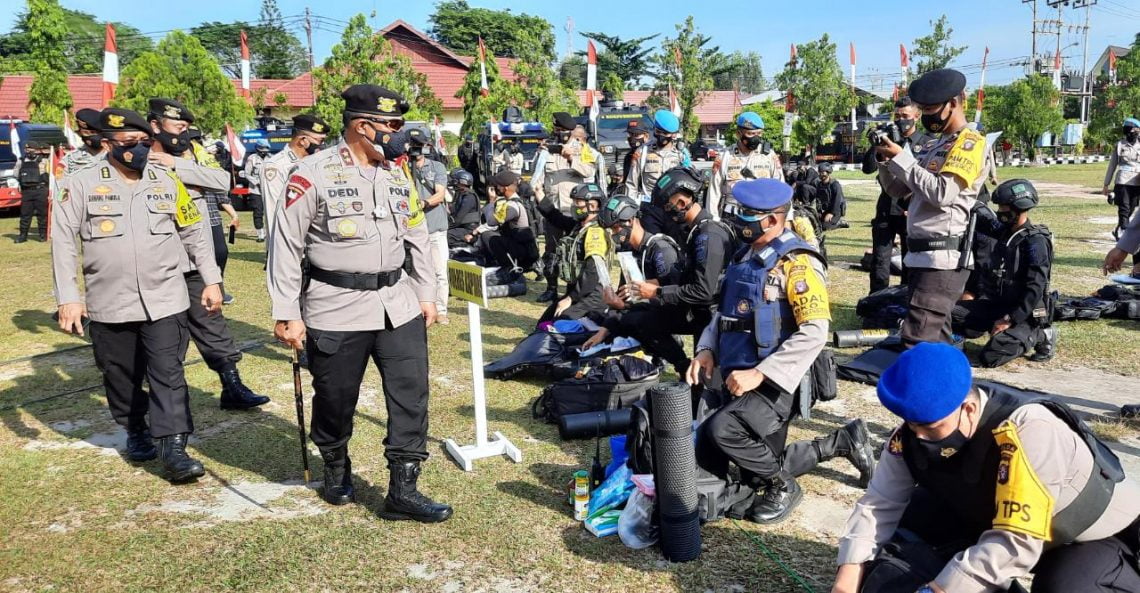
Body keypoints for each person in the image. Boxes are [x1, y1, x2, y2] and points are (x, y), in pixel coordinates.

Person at [268, 84, 451, 523]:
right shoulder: (311, 174)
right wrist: (286, 312)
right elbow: (286, 247)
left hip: (397, 303)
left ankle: (403, 490)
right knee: (334, 396)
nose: (399, 133)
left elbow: (418, 239)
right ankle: (335, 464)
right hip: (336, 305)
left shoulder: (395, 174)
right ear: (362, 126)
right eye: (392, 125)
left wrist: (426, 294)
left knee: (411, 395)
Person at [832, 342, 1140, 593]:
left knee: (1065, 587)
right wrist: (846, 580)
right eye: (911, 424)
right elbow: (879, 504)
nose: (918, 436)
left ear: (967, 408)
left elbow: (1016, 540)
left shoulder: (1028, 429)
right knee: (909, 527)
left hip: (1084, 536)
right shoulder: (915, 430)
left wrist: (937, 589)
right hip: (993, 518)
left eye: (929, 426)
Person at [52, 107, 223, 482]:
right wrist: (69, 297)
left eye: (143, 142)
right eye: (128, 144)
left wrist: (211, 280)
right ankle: (136, 429)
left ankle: (174, 447)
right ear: (108, 143)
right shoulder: (79, 183)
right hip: (110, 301)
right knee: (120, 374)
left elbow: (193, 231)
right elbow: (63, 242)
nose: (138, 150)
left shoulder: (166, 179)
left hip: (166, 295)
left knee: (168, 372)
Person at [687, 178, 873, 525]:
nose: (738, 219)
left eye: (747, 214)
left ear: (773, 219)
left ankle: (782, 484)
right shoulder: (745, 255)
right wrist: (706, 349)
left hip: (776, 382)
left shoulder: (798, 263)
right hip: (735, 373)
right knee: (743, 464)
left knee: (723, 432)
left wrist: (762, 373)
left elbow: (815, 331)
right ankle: (840, 442)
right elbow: (723, 313)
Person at [147, 98, 269, 410]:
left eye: (186, 127)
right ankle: (160, 404)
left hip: (195, 260)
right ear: (155, 125)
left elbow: (221, 181)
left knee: (212, 324)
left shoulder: (191, 155)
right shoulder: (138, 159)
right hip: (156, 265)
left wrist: (180, 165)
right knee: (164, 336)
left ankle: (232, 385)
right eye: (177, 127)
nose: (182, 134)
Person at [872, 68, 993, 348]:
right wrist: (885, 160)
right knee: (936, 341)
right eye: (922, 110)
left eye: (930, 109)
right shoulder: (934, 144)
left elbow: (943, 193)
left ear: (954, 102)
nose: (927, 116)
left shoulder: (969, 143)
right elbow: (898, 190)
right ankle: (953, 391)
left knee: (918, 341)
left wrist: (903, 159)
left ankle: (930, 392)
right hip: (919, 255)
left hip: (942, 259)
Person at [612, 167, 733, 375]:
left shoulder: (708, 235)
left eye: (668, 207)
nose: (666, 213)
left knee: (705, 390)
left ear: (682, 202)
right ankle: (682, 366)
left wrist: (657, 292)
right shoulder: (694, 231)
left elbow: (704, 292)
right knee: (640, 319)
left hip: (712, 318)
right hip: (697, 312)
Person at [953, 179, 1057, 368]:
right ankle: (963, 338)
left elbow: (1035, 287)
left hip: (1023, 314)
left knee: (991, 356)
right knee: (950, 313)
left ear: (1019, 208)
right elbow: (982, 214)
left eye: (1004, 207)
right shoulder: (1003, 231)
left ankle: (1040, 334)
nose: (1000, 212)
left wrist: (1010, 319)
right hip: (996, 304)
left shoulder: (1035, 242)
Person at [582, 195, 684, 361]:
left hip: (673, 313)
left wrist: (624, 305)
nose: (613, 234)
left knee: (637, 319)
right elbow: (625, 298)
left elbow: (674, 294)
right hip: (645, 309)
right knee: (599, 317)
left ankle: (677, 358)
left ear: (630, 220)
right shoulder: (629, 253)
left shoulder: (660, 250)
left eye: (615, 229)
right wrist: (602, 332)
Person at [863, 96, 933, 295]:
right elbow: (867, 168)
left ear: (916, 116)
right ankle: (876, 302)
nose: (901, 120)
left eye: (905, 115)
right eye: (897, 115)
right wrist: (877, 145)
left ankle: (904, 301)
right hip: (886, 205)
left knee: (909, 259)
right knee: (880, 260)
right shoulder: (887, 138)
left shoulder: (927, 143)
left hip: (911, 208)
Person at [532, 112, 598, 303]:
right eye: (557, 130)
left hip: (576, 211)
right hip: (552, 209)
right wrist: (538, 196)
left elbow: (589, 172)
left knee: (575, 252)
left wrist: (571, 159)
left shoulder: (583, 150)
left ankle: (574, 290)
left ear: (571, 132)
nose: (560, 134)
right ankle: (551, 288)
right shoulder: (545, 150)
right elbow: (538, 176)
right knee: (552, 250)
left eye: (564, 131)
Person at [535, 182, 611, 322]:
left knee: (561, 323)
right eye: (574, 202)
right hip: (576, 292)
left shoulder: (595, 232)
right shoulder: (578, 226)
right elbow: (556, 217)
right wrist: (539, 195)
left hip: (591, 296)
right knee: (544, 322)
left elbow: (592, 272)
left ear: (593, 206)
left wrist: (571, 298)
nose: (574, 206)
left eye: (578, 203)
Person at [407, 128, 452, 325]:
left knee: (439, 271)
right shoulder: (401, 167)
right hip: (408, 229)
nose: (415, 148)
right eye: (412, 144)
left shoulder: (436, 167)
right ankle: (414, 306)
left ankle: (441, 309)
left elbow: (440, 194)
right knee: (411, 270)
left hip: (434, 227)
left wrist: (423, 204)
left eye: (419, 144)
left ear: (426, 146)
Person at [260, 113, 329, 240]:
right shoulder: (277, 166)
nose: (323, 145)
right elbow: (273, 212)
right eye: (320, 141)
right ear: (303, 141)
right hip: (289, 245)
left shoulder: (316, 163)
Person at [624, 110, 687, 238]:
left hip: (672, 210)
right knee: (650, 244)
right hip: (649, 208)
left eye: (666, 133)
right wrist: (631, 210)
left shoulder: (681, 154)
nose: (662, 136)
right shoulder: (643, 151)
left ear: (673, 135)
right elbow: (631, 184)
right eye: (659, 132)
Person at [708, 112, 784, 219]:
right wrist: (713, 222)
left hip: (761, 217)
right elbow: (714, 192)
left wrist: (785, 219)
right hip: (732, 216)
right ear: (739, 134)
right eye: (751, 134)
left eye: (759, 133)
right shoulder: (725, 156)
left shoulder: (769, 156)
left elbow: (781, 188)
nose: (756, 138)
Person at [470, 170, 540, 272]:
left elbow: (491, 221)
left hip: (522, 250)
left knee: (488, 236)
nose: (496, 188)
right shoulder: (511, 202)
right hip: (519, 245)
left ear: (505, 188)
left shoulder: (513, 206)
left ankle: (507, 267)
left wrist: (491, 201)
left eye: (498, 186)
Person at [1104, 117, 1140, 267]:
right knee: (1124, 209)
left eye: (1133, 130)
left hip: (1137, 181)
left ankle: (1120, 229)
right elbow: (1112, 165)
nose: (1130, 133)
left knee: (1132, 210)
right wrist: (1106, 184)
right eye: (1128, 130)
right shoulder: (1120, 145)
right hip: (1123, 181)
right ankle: (1122, 234)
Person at [15, 141, 50, 243]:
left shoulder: (44, 161)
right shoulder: (20, 161)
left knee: (42, 214)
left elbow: (50, 175)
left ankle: (43, 235)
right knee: (25, 214)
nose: (29, 151)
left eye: (31, 149)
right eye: (27, 149)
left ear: (37, 150)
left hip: (41, 191)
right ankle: (23, 236)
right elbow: (16, 174)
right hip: (27, 192)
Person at [62, 108, 107, 175]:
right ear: (80, 133)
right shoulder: (70, 159)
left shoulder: (115, 157)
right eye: (86, 133)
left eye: (93, 132)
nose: (90, 136)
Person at [243, 139, 271, 242]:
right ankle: (260, 234)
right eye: (262, 149)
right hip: (256, 191)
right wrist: (257, 182)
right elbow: (247, 174)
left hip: (268, 190)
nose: (264, 152)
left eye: (266, 149)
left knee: (270, 212)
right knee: (258, 212)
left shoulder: (271, 158)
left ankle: (270, 232)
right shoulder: (252, 159)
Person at [446, 169, 480, 249]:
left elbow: (458, 219)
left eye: (456, 182)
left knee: (444, 235)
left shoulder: (469, 197)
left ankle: (465, 247)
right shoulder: (461, 195)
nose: (454, 184)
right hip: (462, 227)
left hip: (469, 230)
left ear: (462, 183)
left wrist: (445, 227)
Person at [619, 118, 651, 191]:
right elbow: (627, 180)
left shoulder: (651, 155)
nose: (632, 138)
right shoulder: (628, 157)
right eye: (630, 134)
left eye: (636, 135)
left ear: (646, 136)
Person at [814, 162, 847, 230]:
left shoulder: (835, 185)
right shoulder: (820, 185)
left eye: (823, 172)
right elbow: (818, 200)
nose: (821, 174)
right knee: (817, 224)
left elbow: (837, 201)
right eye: (820, 172)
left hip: (837, 210)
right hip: (827, 209)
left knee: (825, 226)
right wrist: (819, 212)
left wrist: (832, 214)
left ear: (828, 173)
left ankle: (839, 223)